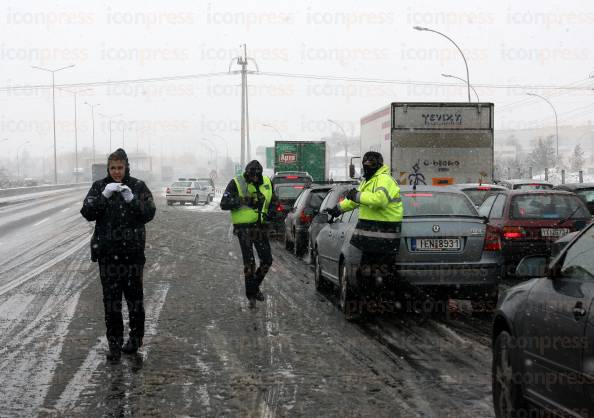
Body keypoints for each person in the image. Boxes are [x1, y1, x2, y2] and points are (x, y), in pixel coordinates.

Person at [80, 148, 156, 362]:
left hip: (132, 256)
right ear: (108, 168)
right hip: (107, 256)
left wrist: (132, 199)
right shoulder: (99, 187)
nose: (116, 172)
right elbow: (87, 212)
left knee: (134, 300)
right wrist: (103, 196)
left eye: (120, 168)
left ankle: (135, 338)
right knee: (111, 302)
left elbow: (149, 213)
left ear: (126, 167)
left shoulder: (138, 186)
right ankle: (114, 342)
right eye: (112, 168)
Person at [327, 151, 403, 313]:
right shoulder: (368, 180)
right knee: (367, 274)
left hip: (385, 237)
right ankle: (372, 305)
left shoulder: (384, 180)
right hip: (370, 238)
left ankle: (392, 303)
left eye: (370, 165)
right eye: (365, 165)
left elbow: (379, 200)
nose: (367, 168)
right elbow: (353, 201)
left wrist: (357, 195)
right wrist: (337, 209)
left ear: (379, 165)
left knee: (384, 275)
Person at [220, 160, 273, 306]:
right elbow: (224, 204)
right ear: (247, 174)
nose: (254, 179)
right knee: (249, 262)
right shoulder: (236, 182)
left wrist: (272, 216)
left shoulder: (267, 182)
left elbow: (273, 202)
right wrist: (245, 200)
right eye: (251, 177)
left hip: (260, 227)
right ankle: (251, 295)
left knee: (267, 260)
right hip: (243, 228)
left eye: (256, 177)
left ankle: (253, 288)